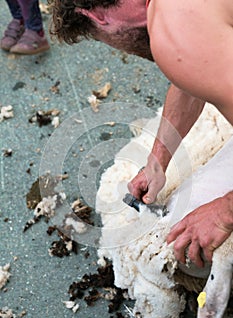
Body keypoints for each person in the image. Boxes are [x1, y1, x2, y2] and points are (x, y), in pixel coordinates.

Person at [48, 0, 233, 268]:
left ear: (96, 15)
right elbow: (194, 73)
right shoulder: (182, 16)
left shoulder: (175, 31)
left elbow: (186, 51)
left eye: (103, 41)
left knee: (197, 252)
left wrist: (223, 215)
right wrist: (157, 162)